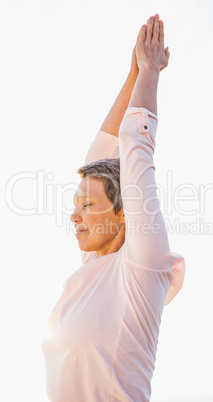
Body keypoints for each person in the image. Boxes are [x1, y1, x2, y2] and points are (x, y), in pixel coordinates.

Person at [42, 13, 186, 401]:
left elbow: (134, 147)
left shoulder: (142, 268)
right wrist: (133, 72)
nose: (74, 215)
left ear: (125, 214)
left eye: (88, 204)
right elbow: (102, 152)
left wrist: (151, 70)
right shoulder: (95, 267)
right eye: (76, 203)